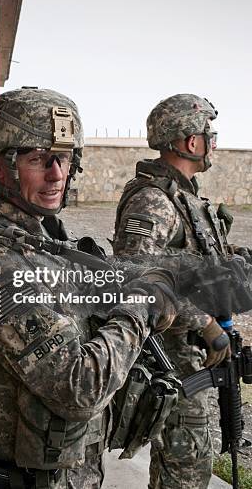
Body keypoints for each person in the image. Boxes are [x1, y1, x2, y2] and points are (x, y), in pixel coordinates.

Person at [0, 87, 178, 489]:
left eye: (64, 159)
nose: (57, 174)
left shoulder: (35, 238)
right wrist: (139, 310)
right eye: (38, 159)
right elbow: (80, 388)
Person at [113, 93, 233, 489]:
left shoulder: (186, 197)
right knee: (182, 475)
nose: (212, 141)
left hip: (192, 359)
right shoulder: (153, 200)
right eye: (207, 134)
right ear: (190, 142)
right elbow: (138, 278)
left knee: (194, 466)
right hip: (172, 363)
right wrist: (206, 324)